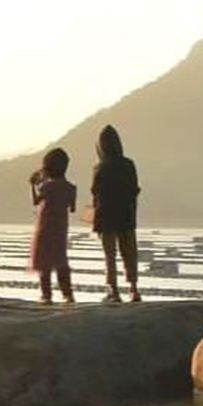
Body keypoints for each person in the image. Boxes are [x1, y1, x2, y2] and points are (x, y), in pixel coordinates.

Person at [91, 125, 141, 303]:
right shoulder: (128, 164)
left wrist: (94, 219)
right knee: (129, 253)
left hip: (106, 217)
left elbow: (95, 193)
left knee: (110, 255)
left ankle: (113, 290)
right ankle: (134, 289)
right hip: (126, 215)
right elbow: (135, 190)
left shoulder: (99, 167)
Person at [29, 148, 77, 305]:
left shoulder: (47, 187)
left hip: (45, 227)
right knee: (61, 260)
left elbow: (36, 201)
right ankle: (68, 294)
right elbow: (73, 208)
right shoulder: (71, 188)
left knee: (44, 262)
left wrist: (33, 186)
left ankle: (46, 295)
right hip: (61, 229)